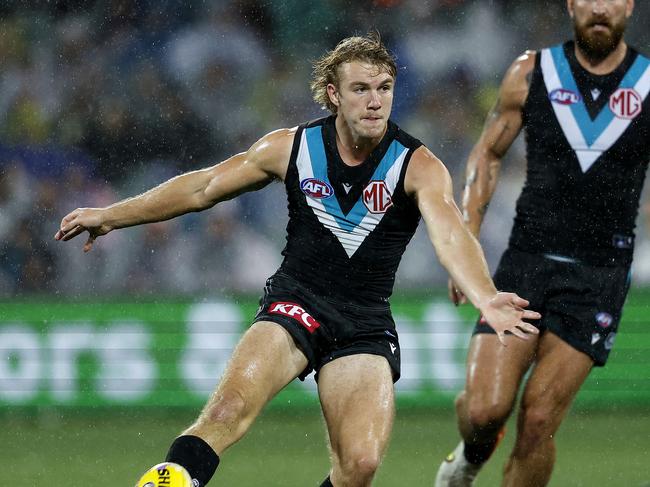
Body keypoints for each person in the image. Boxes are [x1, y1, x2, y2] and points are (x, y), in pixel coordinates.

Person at [55, 34, 539, 487]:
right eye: (361, 89)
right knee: (226, 413)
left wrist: (487, 296)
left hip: (364, 322)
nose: (375, 100)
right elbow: (203, 187)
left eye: (385, 88)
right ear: (333, 94)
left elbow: (451, 235)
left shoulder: (417, 165)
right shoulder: (290, 147)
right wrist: (113, 215)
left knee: (361, 467)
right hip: (296, 304)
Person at [435, 1, 649, 486]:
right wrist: (464, 244)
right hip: (526, 262)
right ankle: (469, 459)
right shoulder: (532, 72)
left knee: (538, 421)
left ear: (630, 6)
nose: (600, 9)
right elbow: (488, 153)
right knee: (487, 411)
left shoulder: (648, 83)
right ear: (571, 4)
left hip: (599, 277)